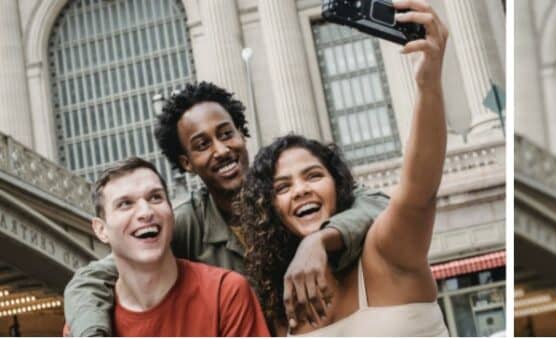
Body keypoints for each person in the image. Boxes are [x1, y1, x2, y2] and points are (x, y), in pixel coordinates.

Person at [63, 82, 389, 335]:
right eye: (203, 145)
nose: (221, 150)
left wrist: (318, 241)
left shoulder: (289, 189)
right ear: (186, 163)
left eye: (226, 134)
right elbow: (91, 279)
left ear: (242, 134)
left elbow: (379, 205)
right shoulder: (184, 224)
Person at [240, 0, 449, 335]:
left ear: (338, 186)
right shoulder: (284, 305)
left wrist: (428, 84)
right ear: (270, 209)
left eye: (313, 175)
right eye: (282, 187)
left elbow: (419, 193)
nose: (301, 190)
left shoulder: (385, 253)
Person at [86, 157, 269, 336]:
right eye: (125, 204)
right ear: (101, 230)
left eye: (156, 197)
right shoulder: (87, 325)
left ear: (172, 215)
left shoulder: (226, 294)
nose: (146, 212)